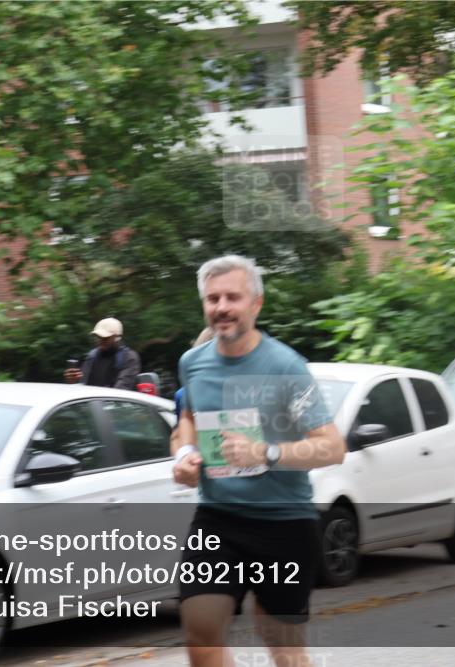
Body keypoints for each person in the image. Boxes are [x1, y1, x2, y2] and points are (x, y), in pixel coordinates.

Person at [172, 255, 345, 667]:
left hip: (283, 522)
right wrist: (183, 453)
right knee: (200, 631)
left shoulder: (286, 367)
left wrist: (265, 453)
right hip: (219, 518)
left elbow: (332, 447)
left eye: (233, 297)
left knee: (283, 647)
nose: (222, 307)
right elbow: (187, 420)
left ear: (256, 304)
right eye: (213, 299)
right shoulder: (191, 364)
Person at [63, 317, 141, 390]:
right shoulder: (92, 356)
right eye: (98, 337)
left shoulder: (129, 357)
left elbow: (121, 390)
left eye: (105, 338)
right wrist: (74, 381)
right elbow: (82, 387)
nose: (100, 341)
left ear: (117, 338)